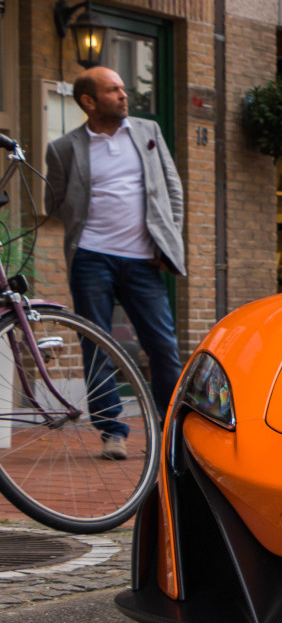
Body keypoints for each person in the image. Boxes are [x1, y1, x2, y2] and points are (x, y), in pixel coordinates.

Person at [43, 66, 185, 461]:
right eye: (113, 90)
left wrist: (168, 241)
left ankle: (169, 429)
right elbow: (53, 202)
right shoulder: (64, 149)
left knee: (162, 345)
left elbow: (172, 190)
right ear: (89, 102)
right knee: (97, 345)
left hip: (144, 260)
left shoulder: (147, 133)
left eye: (124, 87)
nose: (124, 95)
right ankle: (113, 432)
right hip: (91, 258)